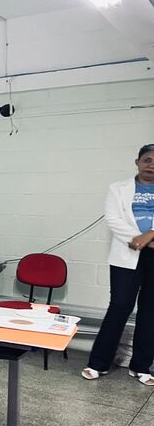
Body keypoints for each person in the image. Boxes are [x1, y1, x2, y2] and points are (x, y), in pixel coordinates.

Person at [82, 143, 154, 386]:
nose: (151, 165)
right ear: (137, 162)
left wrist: (150, 235)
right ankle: (98, 363)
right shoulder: (118, 188)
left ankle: (141, 367)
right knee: (120, 306)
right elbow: (113, 218)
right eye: (147, 160)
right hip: (127, 253)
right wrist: (139, 239)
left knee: (150, 311)